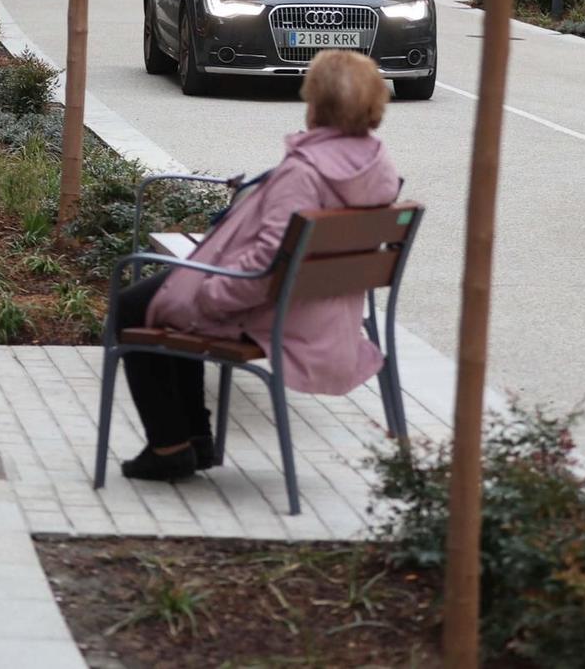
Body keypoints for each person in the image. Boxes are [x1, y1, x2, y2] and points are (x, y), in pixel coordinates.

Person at [113, 50, 401, 482]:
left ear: (316, 104)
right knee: (164, 300)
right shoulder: (374, 165)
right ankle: (193, 442)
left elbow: (265, 266)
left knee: (132, 306)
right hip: (318, 310)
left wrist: (209, 296)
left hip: (269, 311)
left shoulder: (305, 172)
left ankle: (170, 445)